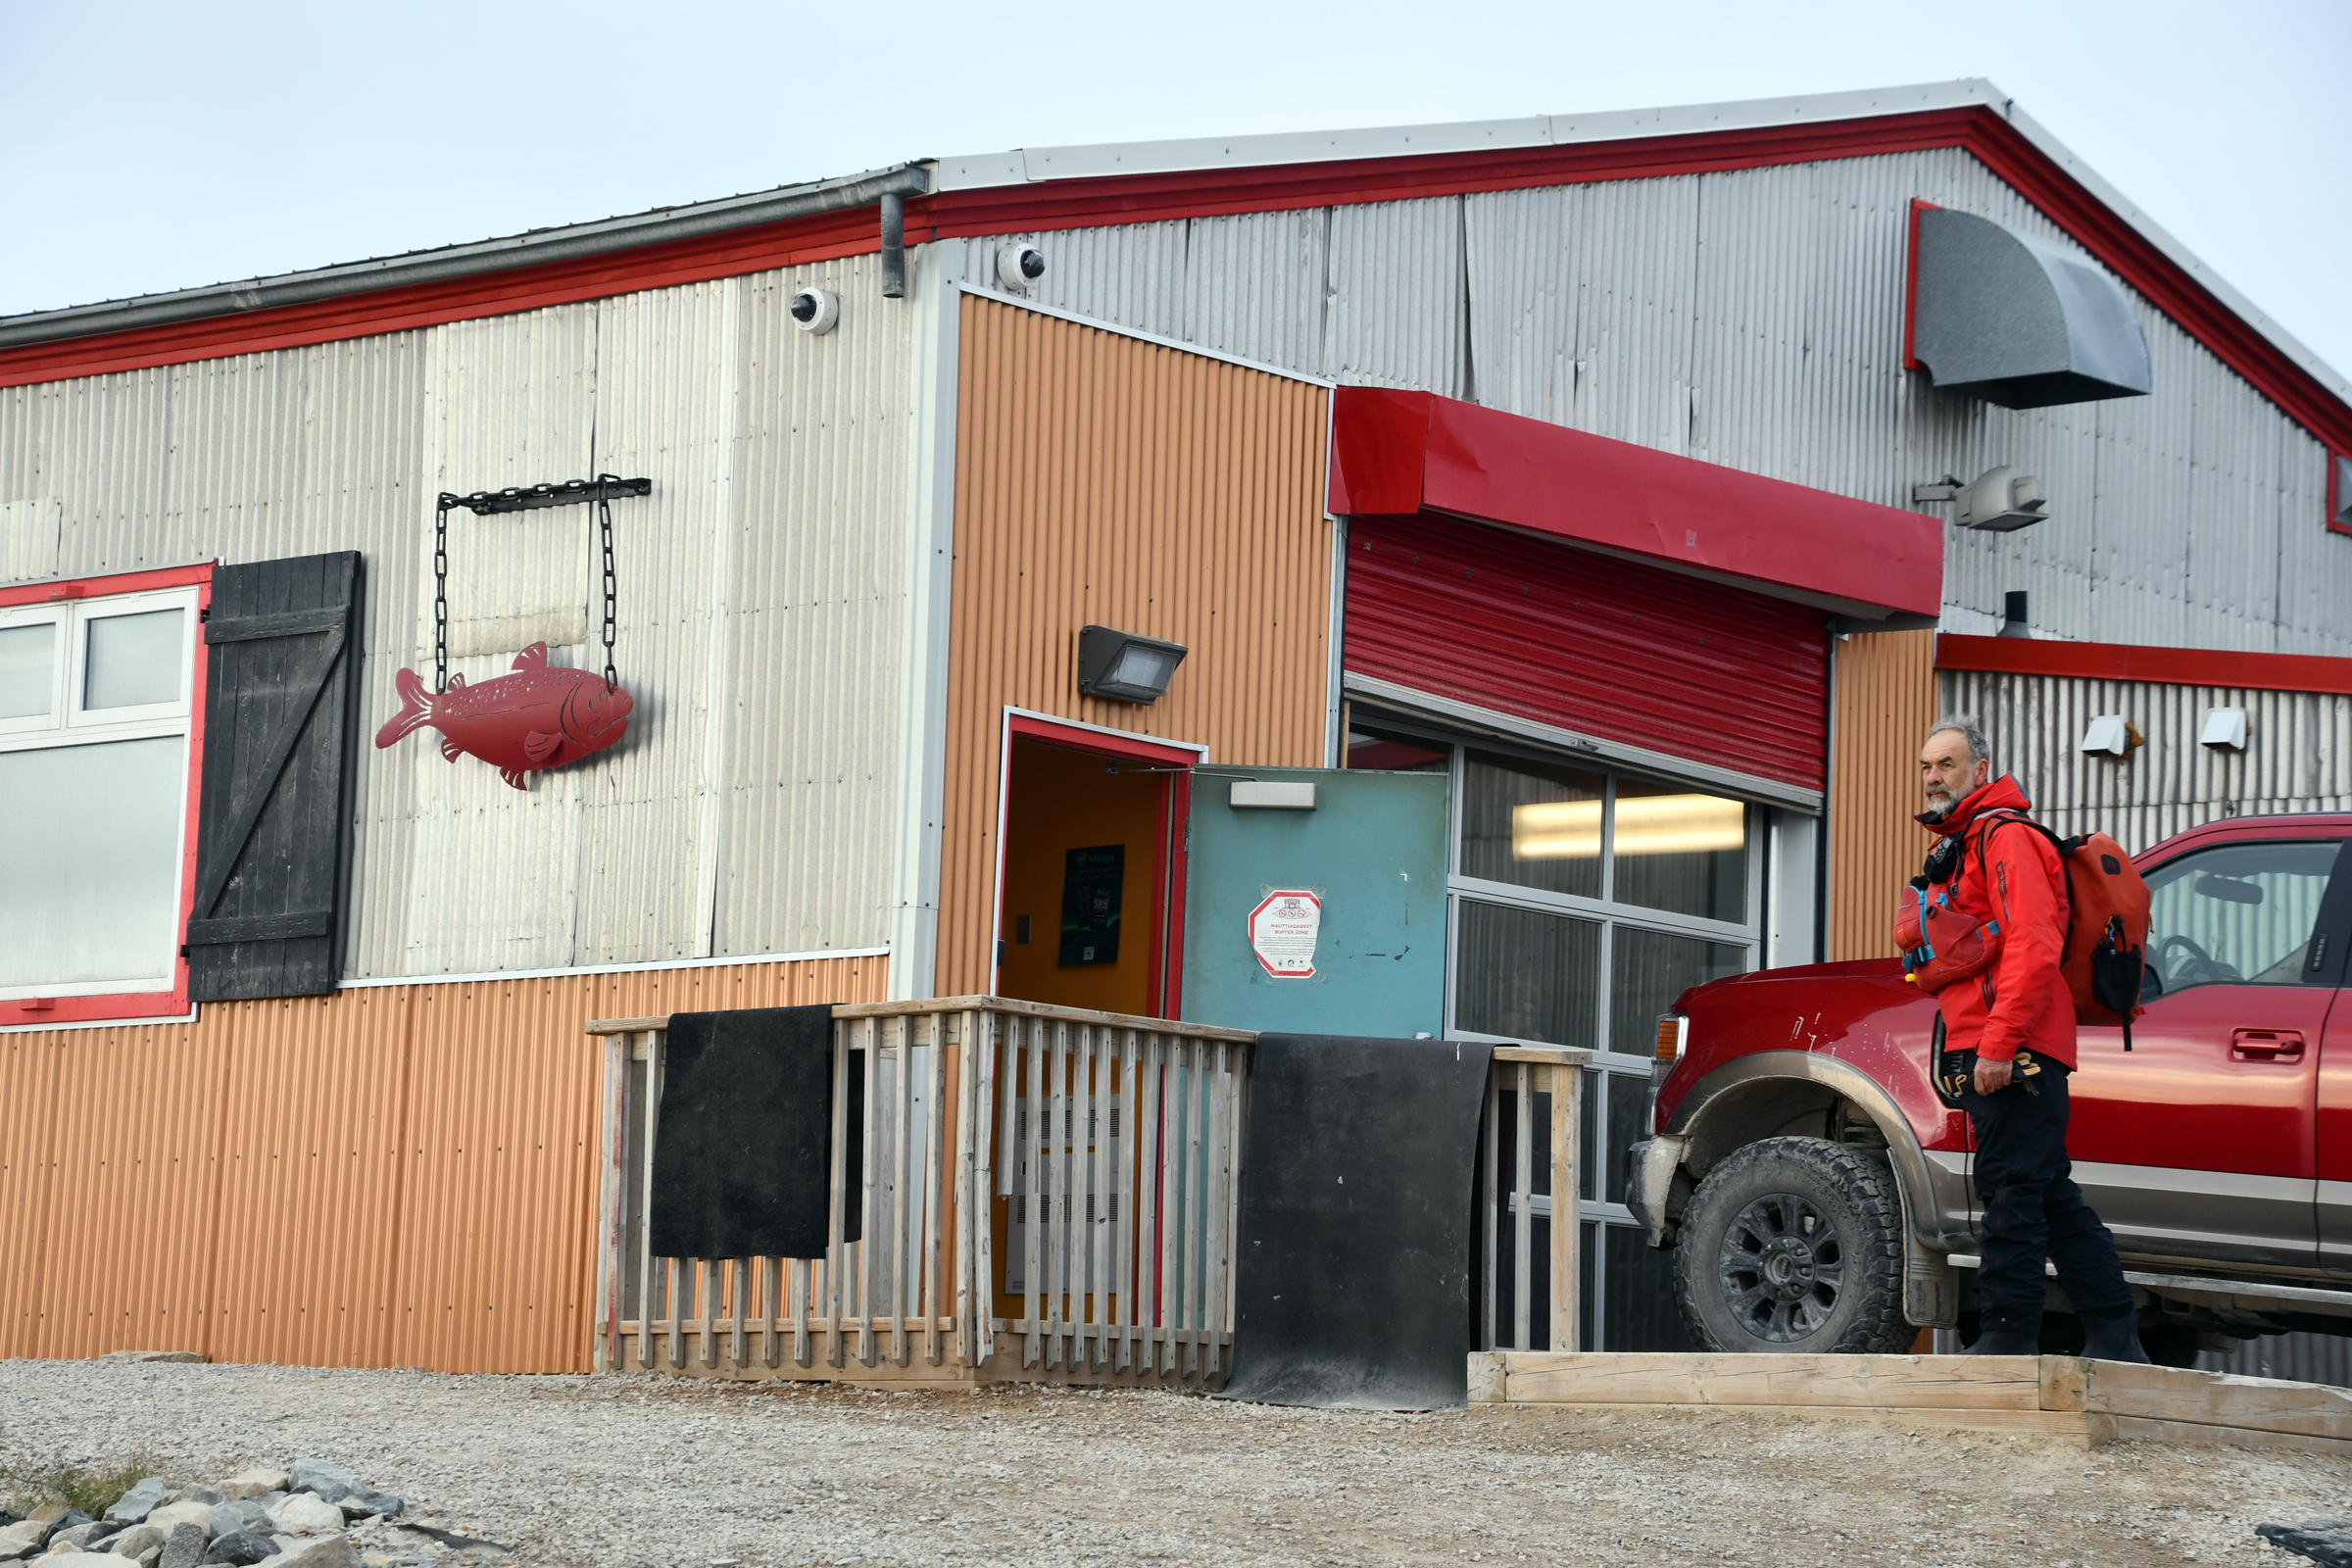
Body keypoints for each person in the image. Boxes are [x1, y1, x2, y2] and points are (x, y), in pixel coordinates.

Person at [1914, 716, 2150, 1362]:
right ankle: (2114, 1335)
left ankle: (2008, 1334)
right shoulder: (1964, 843)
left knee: (2011, 1190)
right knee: (2044, 1189)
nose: (1934, 777)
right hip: (2001, 1040)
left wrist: (1998, 1044)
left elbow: (2035, 943)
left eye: (1947, 764)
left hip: (2016, 1046)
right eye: (1927, 766)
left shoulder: (2006, 836)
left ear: (1980, 771)